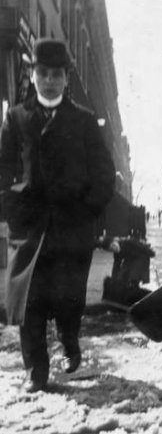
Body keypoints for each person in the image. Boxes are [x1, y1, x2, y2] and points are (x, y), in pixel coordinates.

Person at [0, 39, 115, 392]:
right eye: (42, 73)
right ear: (33, 76)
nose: (49, 81)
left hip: (71, 226)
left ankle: (69, 340)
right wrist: (12, 210)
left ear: (66, 79)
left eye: (56, 74)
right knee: (27, 298)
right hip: (31, 227)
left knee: (68, 296)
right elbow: (3, 171)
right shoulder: (17, 118)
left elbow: (103, 174)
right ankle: (36, 370)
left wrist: (88, 212)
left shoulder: (82, 121)